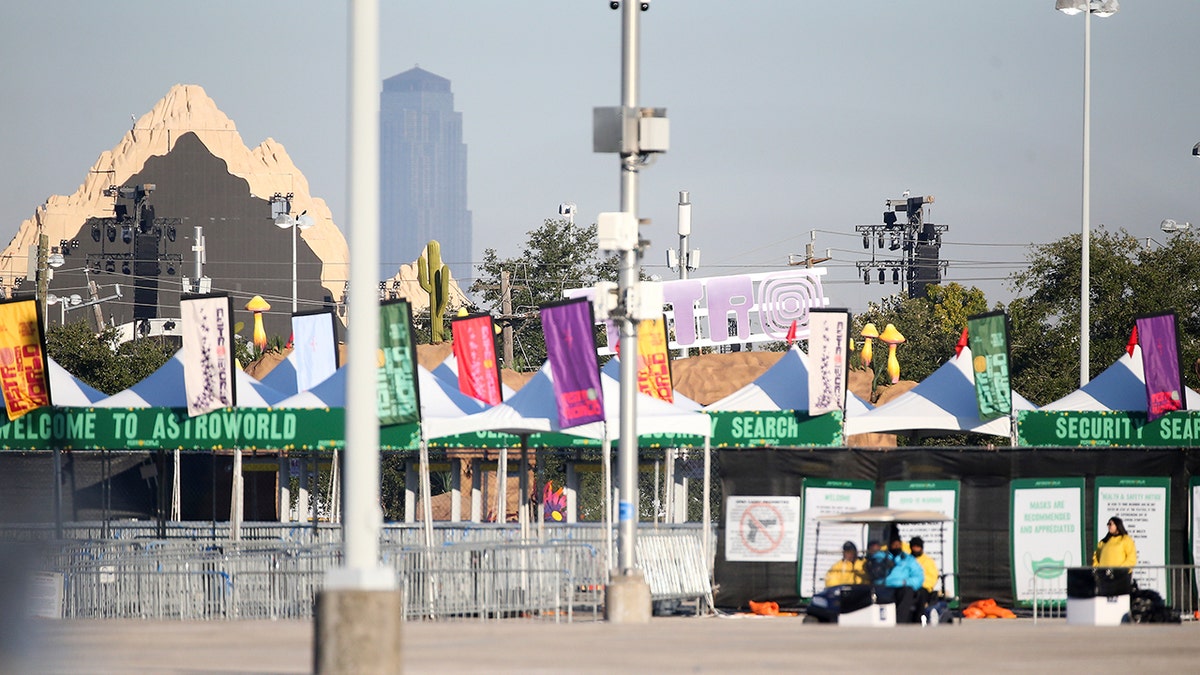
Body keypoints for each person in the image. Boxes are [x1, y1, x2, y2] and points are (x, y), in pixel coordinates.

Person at [870, 534, 926, 623]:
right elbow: (876, 573)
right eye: (894, 544)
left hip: (902, 586)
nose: (896, 546)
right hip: (884, 586)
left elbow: (918, 576)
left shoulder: (907, 559)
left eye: (898, 544)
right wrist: (885, 565)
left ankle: (900, 622)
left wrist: (905, 582)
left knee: (908, 592)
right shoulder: (881, 557)